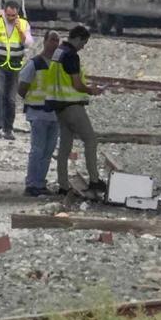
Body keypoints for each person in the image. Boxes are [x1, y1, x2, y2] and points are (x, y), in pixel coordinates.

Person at [48, 25, 105, 195]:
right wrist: (91, 90)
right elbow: (76, 84)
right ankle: (94, 180)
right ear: (78, 38)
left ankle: (63, 185)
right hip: (72, 105)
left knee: (64, 147)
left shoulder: (58, 52)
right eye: (84, 42)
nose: (83, 47)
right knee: (90, 140)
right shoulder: (72, 56)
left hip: (58, 106)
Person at [0, 0, 33, 140]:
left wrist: (20, 30)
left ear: (17, 14)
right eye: (8, 15)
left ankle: (8, 128)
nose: (10, 18)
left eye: (13, 16)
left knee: (11, 99)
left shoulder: (23, 24)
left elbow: (28, 43)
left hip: (14, 67)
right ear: (4, 12)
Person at [18, 31, 60, 196]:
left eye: (57, 40)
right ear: (45, 41)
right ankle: (32, 184)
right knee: (38, 150)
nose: (55, 44)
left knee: (48, 151)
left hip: (54, 114)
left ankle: (40, 183)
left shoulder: (58, 64)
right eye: (52, 40)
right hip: (38, 113)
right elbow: (22, 87)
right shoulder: (35, 63)